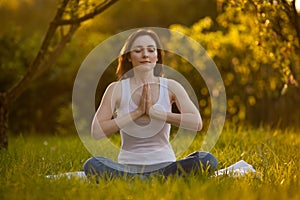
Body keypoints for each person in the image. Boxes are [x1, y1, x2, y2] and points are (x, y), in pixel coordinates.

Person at [83, 29, 218, 180]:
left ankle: (142, 180)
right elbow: (96, 131)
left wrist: (157, 114)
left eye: (151, 50)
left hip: (166, 165)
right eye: (138, 50)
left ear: (157, 56)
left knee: (207, 159)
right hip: (128, 167)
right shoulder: (116, 89)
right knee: (93, 164)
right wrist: (137, 112)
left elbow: (197, 123)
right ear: (128, 56)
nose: (145, 55)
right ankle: (150, 179)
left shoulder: (171, 86)